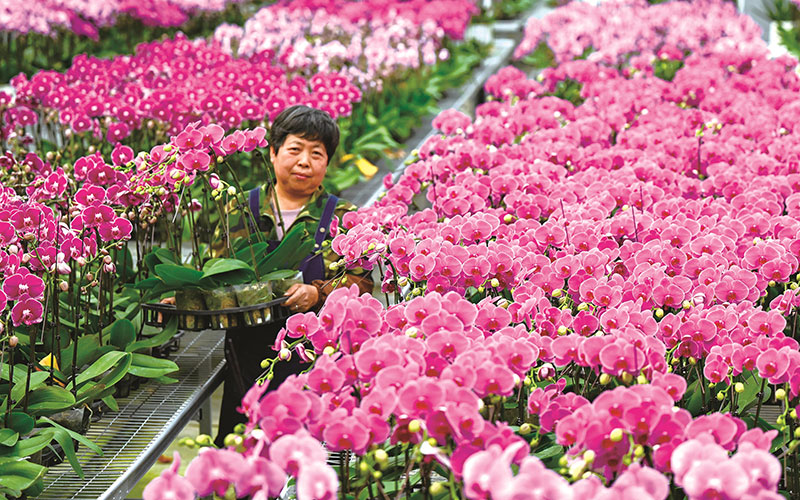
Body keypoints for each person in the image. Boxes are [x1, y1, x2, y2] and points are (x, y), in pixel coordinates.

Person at [212, 105, 373, 446]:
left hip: (316, 358)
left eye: (317, 154)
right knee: (242, 452)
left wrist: (318, 293)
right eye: (295, 149)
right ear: (273, 152)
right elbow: (215, 274)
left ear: (327, 164)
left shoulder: (343, 217)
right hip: (248, 353)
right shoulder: (240, 209)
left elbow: (361, 283)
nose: (304, 162)